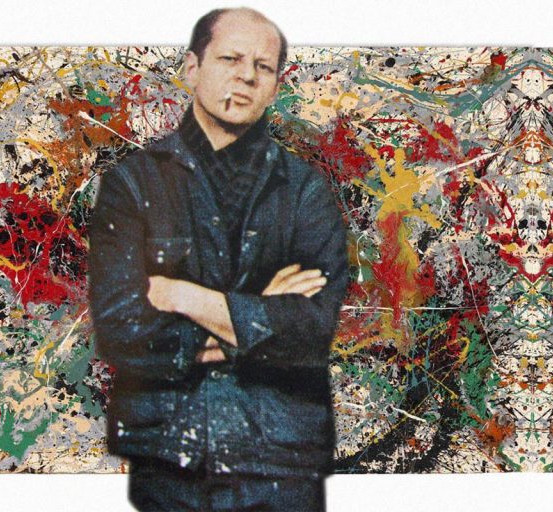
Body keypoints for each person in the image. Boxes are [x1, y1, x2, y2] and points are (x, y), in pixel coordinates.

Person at [88, 7, 348, 511]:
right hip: (169, 458)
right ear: (192, 69)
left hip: (281, 463)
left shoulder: (306, 191)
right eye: (231, 58)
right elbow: (120, 327)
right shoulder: (133, 183)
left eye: (263, 66)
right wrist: (256, 317)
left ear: (275, 87)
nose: (247, 76)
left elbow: (312, 329)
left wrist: (180, 295)